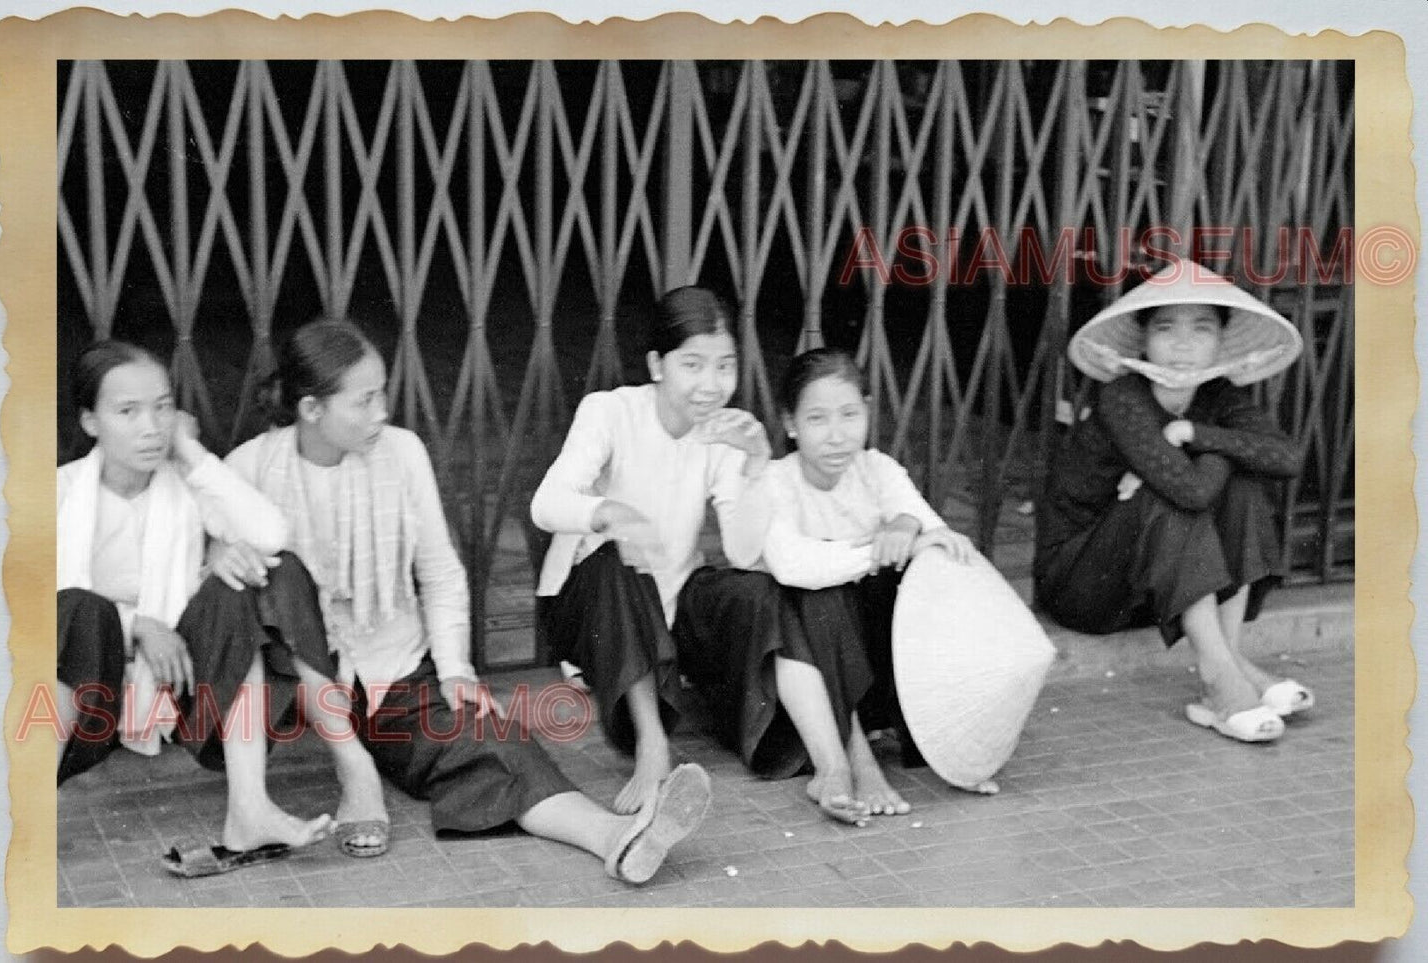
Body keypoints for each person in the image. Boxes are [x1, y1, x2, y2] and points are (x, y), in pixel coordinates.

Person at [226, 318, 709, 884]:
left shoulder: (401, 453)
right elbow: (229, 604)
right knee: (280, 579)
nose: (383, 411)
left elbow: (440, 572)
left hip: (392, 672)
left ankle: (616, 838)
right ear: (312, 409)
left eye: (383, 392)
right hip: (302, 690)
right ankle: (355, 772)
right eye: (365, 400)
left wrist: (455, 671)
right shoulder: (250, 469)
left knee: (491, 735)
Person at [56, 339, 338, 877]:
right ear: (91, 422)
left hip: (180, 688)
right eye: (128, 411)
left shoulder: (187, 487)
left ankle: (249, 810)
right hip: (87, 702)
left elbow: (273, 535)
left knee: (245, 581)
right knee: (74, 609)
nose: (150, 427)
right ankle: (17, 816)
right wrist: (138, 626)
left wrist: (189, 453)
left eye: (163, 407)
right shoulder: (59, 496)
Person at [532, 286, 796, 816]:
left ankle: (752, 733)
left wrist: (755, 464)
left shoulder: (725, 433)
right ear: (657, 364)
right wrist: (607, 514)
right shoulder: (610, 411)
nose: (711, 384)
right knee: (618, 559)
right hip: (594, 607)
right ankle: (652, 744)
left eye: (724, 366)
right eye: (692, 364)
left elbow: (744, 552)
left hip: (671, 610)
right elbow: (546, 503)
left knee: (754, 590)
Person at [1035, 262, 1309, 744]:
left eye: (1201, 328)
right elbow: (1194, 493)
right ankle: (1219, 680)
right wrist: (1218, 449)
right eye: (1166, 328)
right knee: (1175, 497)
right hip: (1086, 586)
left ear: (1221, 344)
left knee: (1240, 488)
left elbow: (1287, 458)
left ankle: (1231, 662)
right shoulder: (1123, 396)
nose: (1183, 343)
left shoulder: (1218, 396)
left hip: (1161, 594)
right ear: (1143, 340)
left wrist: (1198, 435)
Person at [750, 347, 986, 821]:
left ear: (867, 411)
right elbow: (795, 566)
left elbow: (942, 540)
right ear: (790, 423)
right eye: (817, 419)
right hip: (801, 674)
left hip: (870, 666)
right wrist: (882, 546)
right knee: (819, 594)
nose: (836, 436)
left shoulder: (877, 471)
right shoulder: (774, 481)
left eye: (849, 415)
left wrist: (907, 527)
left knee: (906, 580)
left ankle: (952, 741)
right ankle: (856, 758)